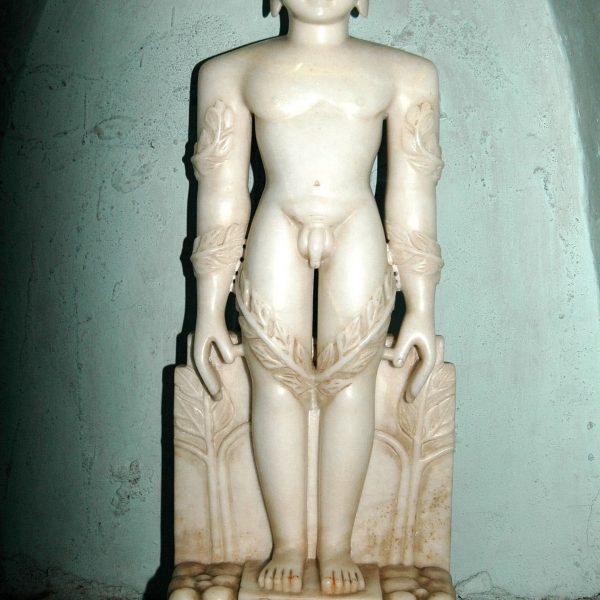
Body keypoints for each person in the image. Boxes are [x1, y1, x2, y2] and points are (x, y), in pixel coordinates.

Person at [190, 0, 443, 594]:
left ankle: (336, 546)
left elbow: (413, 189)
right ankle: (287, 542)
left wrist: (422, 307)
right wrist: (207, 308)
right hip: (276, 221)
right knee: (272, 380)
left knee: (351, 382)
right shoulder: (230, 72)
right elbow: (221, 190)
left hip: (357, 223)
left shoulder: (405, 74)